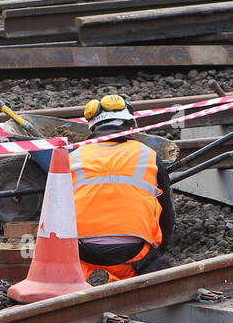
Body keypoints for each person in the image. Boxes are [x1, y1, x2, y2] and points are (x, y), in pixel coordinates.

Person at [70, 94, 174, 282]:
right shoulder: (148, 155)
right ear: (130, 126)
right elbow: (167, 215)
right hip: (134, 257)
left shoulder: (73, 157)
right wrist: (159, 250)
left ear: (92, 128)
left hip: (82, 255)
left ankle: (97, 276)